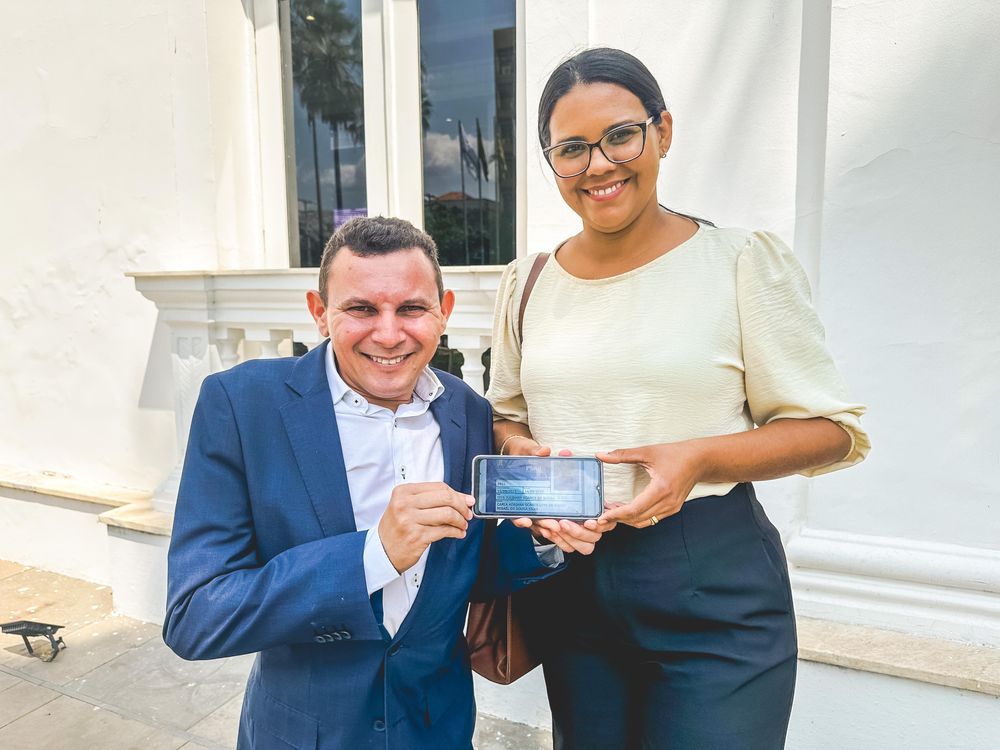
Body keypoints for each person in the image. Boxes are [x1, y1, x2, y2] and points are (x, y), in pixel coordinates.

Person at [487, 48, 870, 749]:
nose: (599, 165)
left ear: (662, 131)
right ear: (552, 162)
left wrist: (697, 458)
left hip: (712, 583)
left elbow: (830, 430)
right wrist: (529, 468)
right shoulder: (529, 280)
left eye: (620, 136)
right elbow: (505, 416)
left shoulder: (739, 261)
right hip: (571, 585)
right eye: (572, 149)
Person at [163, 216, 605, 749]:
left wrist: (540, 537)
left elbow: (471, 570)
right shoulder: (242, 404)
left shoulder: (467, 410)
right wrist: (373, 554)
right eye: (362, 309)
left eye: (412, 308)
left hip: (437, 730)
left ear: (444, 311)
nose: (390, 334)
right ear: (319, 313)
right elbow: (196, 616)